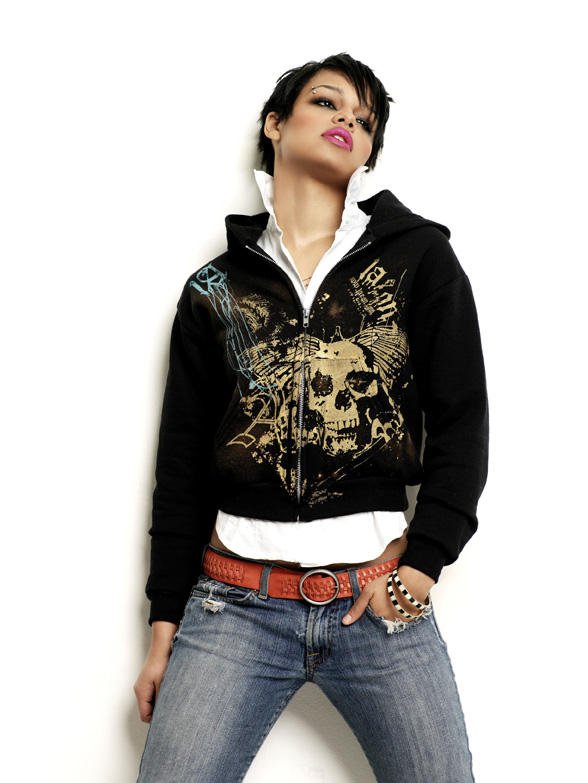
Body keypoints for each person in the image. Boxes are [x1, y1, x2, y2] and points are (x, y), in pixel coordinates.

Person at [133, 52, 489, 782]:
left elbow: (463, 421)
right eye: (327, 103)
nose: (347, 121)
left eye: (364, 120)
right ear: (275, 124)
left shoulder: (419, 259)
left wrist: (421, 567)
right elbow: (181, 465)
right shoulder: (214, 290)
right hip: (234, 605)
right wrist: (164, 623)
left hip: (377, 603)